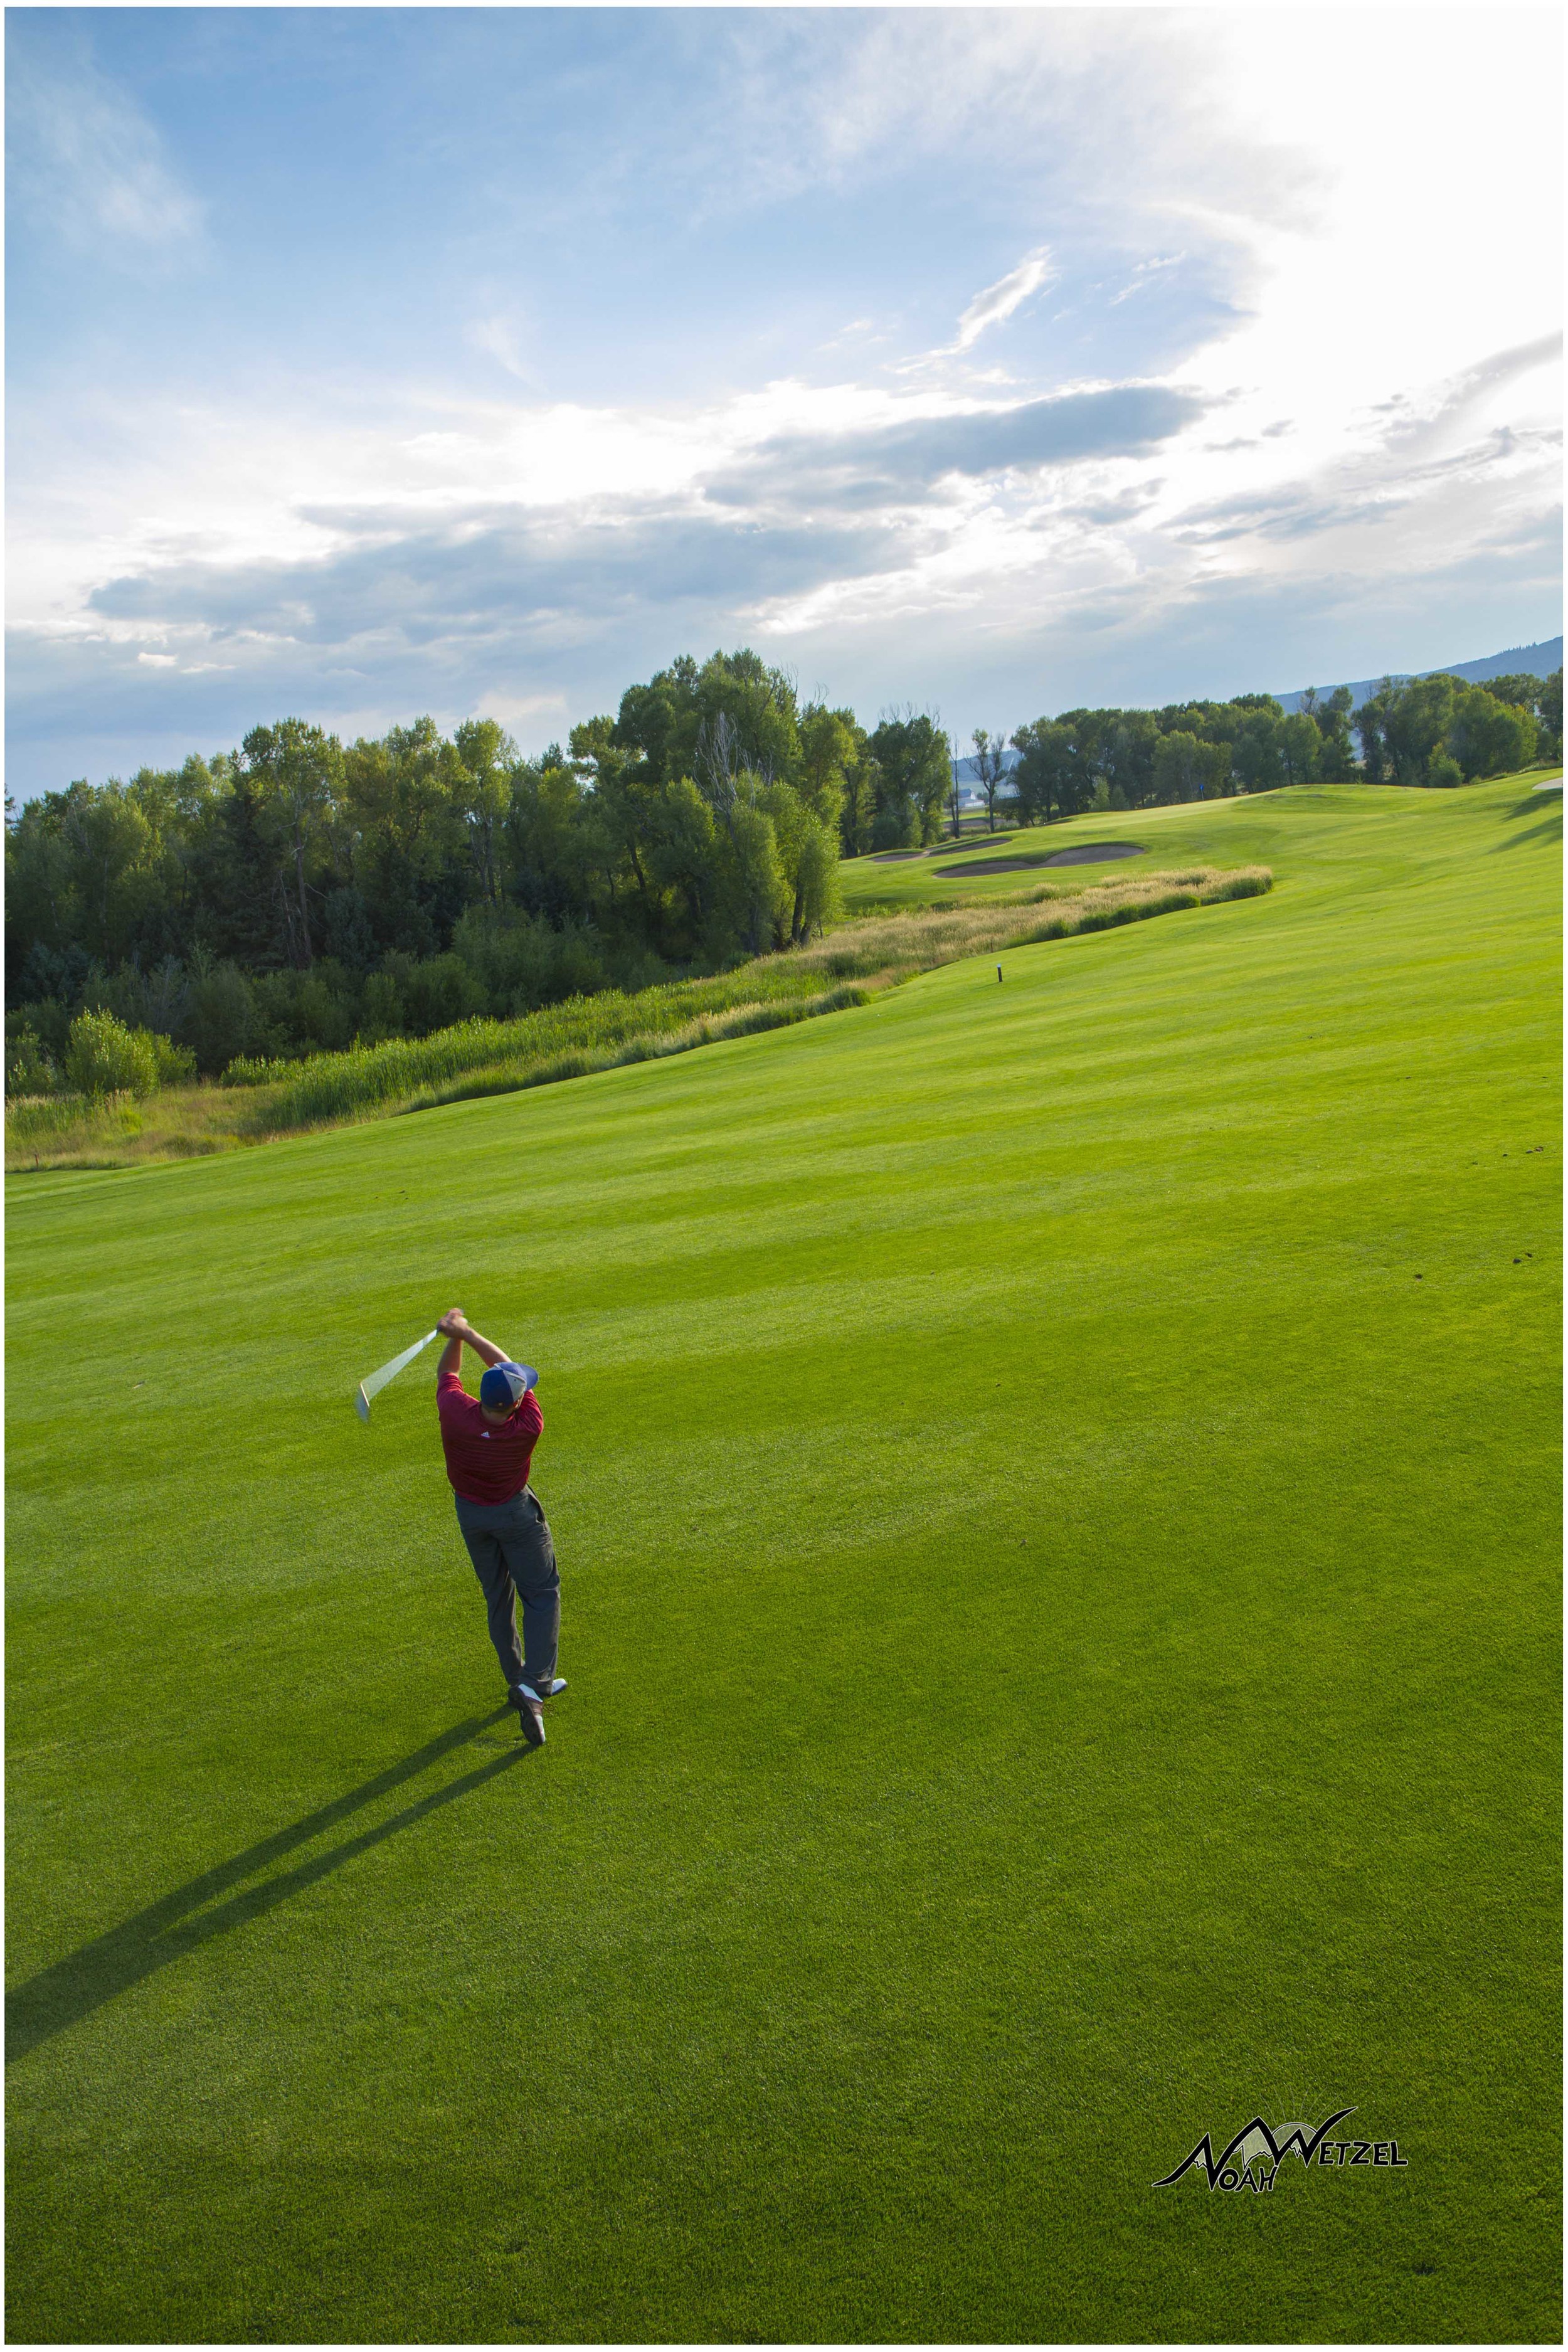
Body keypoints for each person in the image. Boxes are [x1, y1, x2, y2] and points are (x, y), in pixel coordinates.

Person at [433, 1308, 564, 1746]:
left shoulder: (455, 1414)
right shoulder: (528, 1426)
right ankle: (534, 1685)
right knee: (542, 1594)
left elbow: (448, 1374)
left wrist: (453, 1336)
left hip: (472, 1516)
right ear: (513, 1404)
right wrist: (468, 1332)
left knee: (498, 1598)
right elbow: (506, 1368)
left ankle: (518, 1682)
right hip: (515, 1515)